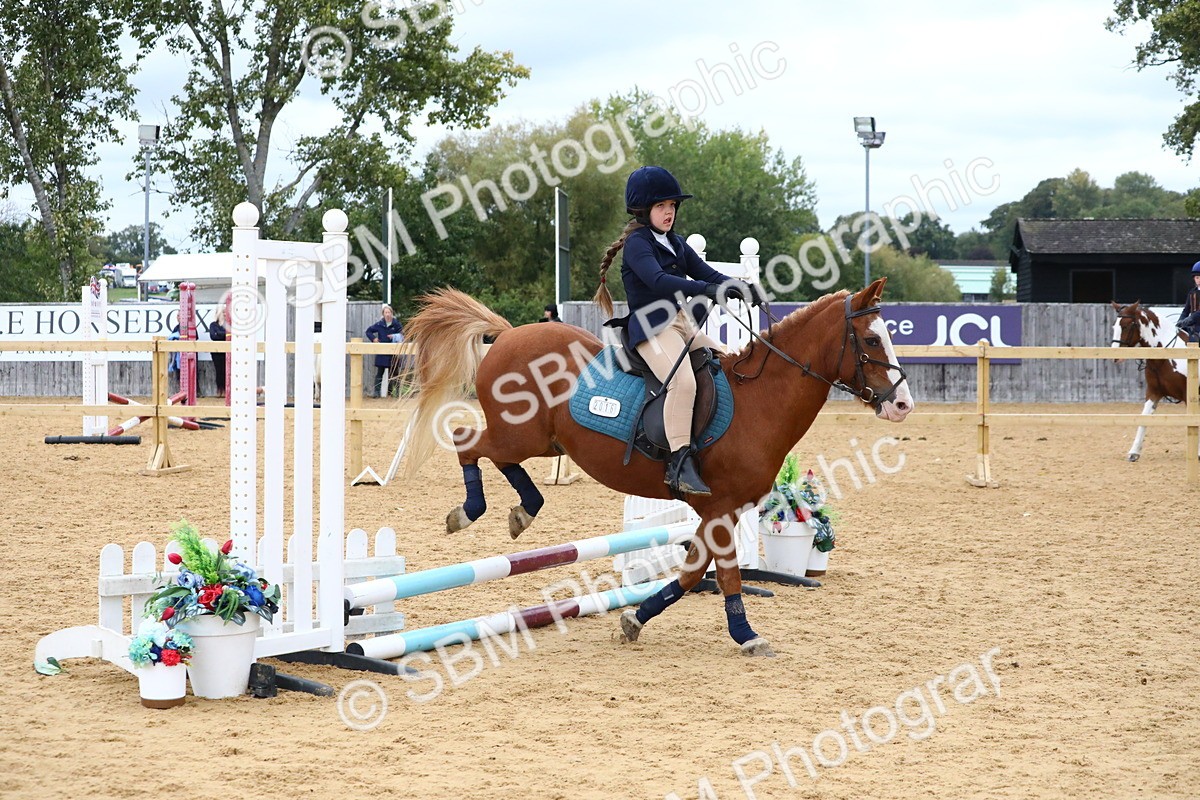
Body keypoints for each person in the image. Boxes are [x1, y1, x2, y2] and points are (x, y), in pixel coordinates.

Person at [592, 165, 766, 496]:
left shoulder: (675, 242)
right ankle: (679, 463)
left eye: (672, 205)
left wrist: (740, 287)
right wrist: (706, 289)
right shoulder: (638, 244)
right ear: (643, 210)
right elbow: (659, 281)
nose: (668, 212)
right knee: (682, 381)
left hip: (681, 324)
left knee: (725, 360)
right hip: (651, 328)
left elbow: (708, 273)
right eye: (661, 206)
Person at [365, 304, 403, 398]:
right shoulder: (379, 324)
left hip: (393, 353)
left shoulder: (396, 324)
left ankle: (394, 393)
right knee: (379, 374)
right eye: (386, 312)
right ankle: (376, 393)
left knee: (394, 374)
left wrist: (394, 336)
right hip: (382, 352)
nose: (387, 314)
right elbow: (368, 331)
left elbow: (403, 334)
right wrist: (374, 339)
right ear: (383, 314)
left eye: (389, 312)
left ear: (392, 313)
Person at [1177, 261, 1200, 342]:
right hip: (1193, 326)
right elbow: (1186, 310)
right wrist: (1180, 321)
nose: (1199, 280)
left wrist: (1191, 318)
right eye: (1197, 278)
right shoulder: (1192, 292)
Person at [209, 306, 227, 397]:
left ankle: (227, 390)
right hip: (216, 351)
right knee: (218, 371)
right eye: (223, 312)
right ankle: (220, 390)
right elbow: (213, 336)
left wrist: (219, 333)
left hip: (227, 351)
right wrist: (224, 334)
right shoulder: (213, 325)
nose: (225, 314)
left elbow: (230, 336)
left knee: (227, 370)